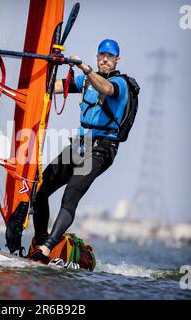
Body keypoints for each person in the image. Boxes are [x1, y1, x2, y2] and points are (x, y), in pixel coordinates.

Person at [28, 39, 134, 264]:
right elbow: (53, 86)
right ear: (97, 57)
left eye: (110, 56)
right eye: (101, 55)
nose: (105, 59)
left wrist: (83, 67)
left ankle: (46, 250)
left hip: (102, 148)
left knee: (69, 197)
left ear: (117, 60)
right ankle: (40, 240)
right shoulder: (85, 80)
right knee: (39, 189)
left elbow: (105, 88)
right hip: (81, 144)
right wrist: (41, 71)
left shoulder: (120, 84)